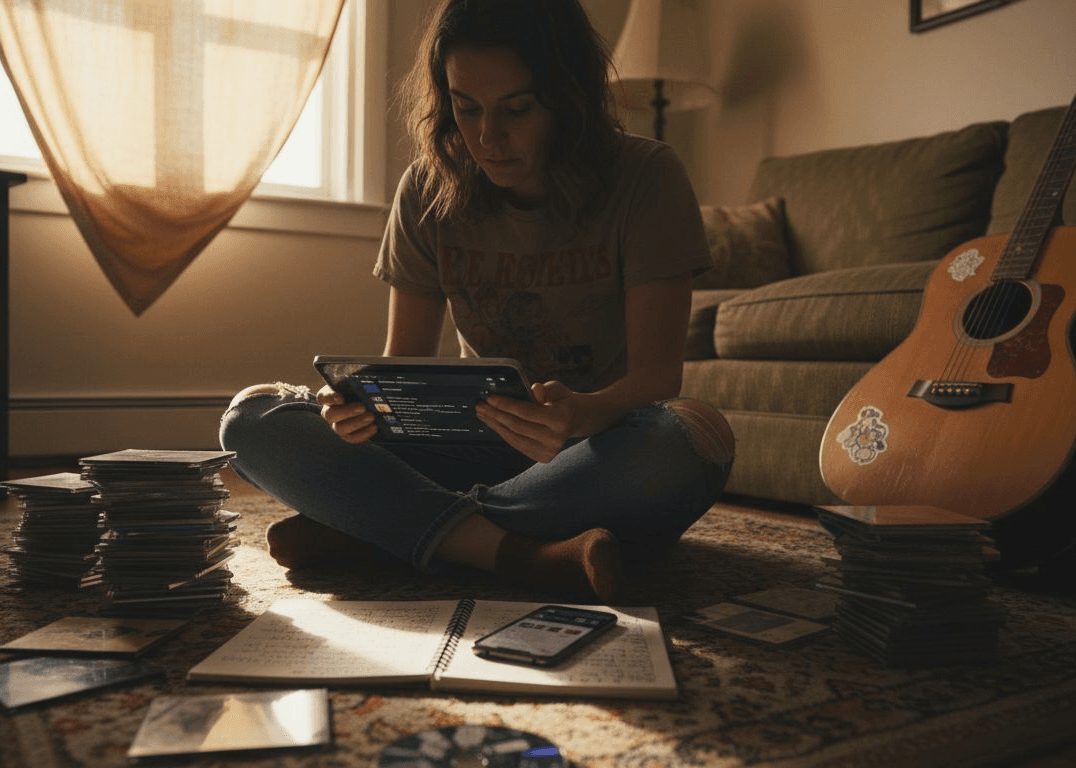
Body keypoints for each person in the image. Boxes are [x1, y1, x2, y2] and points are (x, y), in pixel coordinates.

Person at [219, 0, 734, 602]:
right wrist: (362, 411)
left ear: (567, 99)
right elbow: (402, 363)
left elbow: (655, 376)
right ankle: (513, 551)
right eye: (466, 108)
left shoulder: (647, 176)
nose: (488, 138)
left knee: (690, 443)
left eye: (517, 109)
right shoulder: (428, 188)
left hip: (594, 452)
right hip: (469, 448)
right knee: (252, 418)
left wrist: (581, 413)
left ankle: (382, 531)